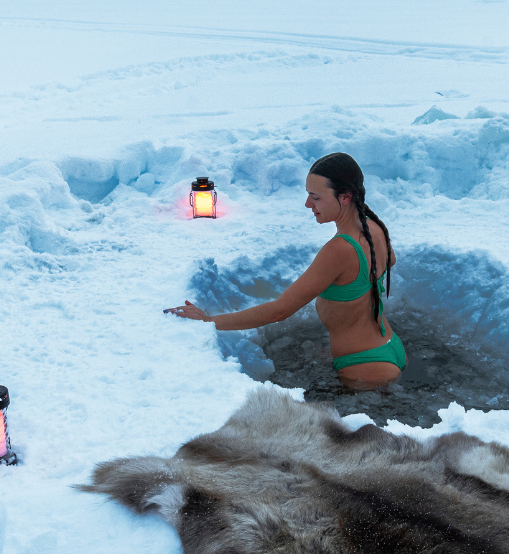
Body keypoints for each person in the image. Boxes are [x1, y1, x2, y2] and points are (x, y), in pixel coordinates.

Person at [166, 152, 406, 388]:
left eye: (316, 197)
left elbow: (278, 312)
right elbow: (389, 261)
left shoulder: (340, 250)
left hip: (364, 367)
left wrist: (209, 321)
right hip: (387, 345)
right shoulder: (375, 227)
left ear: (345, 197)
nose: (308, 204)